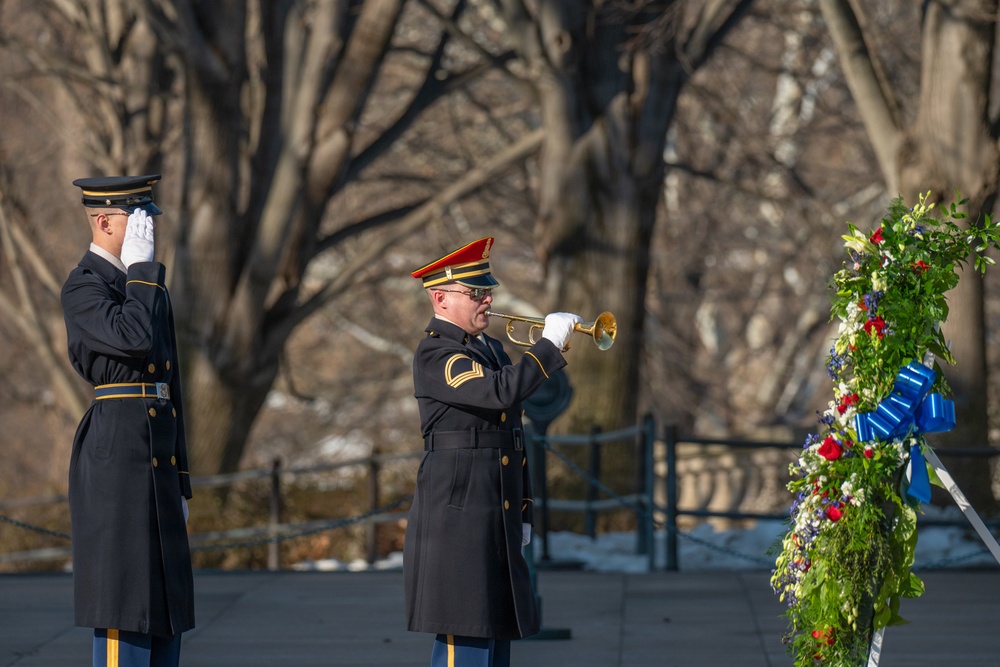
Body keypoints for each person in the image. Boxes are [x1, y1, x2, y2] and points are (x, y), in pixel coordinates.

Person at [404, 236, 581, 667]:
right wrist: (548, 346)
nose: (487, 300)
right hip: (457, 518)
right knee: (464, 637)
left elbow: (511, 440)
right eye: (476, 293)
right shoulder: (438, 354)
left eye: (488, 291)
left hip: (492, 513)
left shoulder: (492, 350)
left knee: (496, 633)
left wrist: (522, 510)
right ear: (440, 297)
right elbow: (499, 393)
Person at [61, 174, 195, 667]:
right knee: (126, 604)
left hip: (156, 457)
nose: (146, 230)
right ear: (102, 221)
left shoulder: (141, 282)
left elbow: (170, 383)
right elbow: (134, 337)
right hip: (116, 451)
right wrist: (142, 271)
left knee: (164, 607)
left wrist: (181, 480)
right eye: (134, 219)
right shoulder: (84, 287)